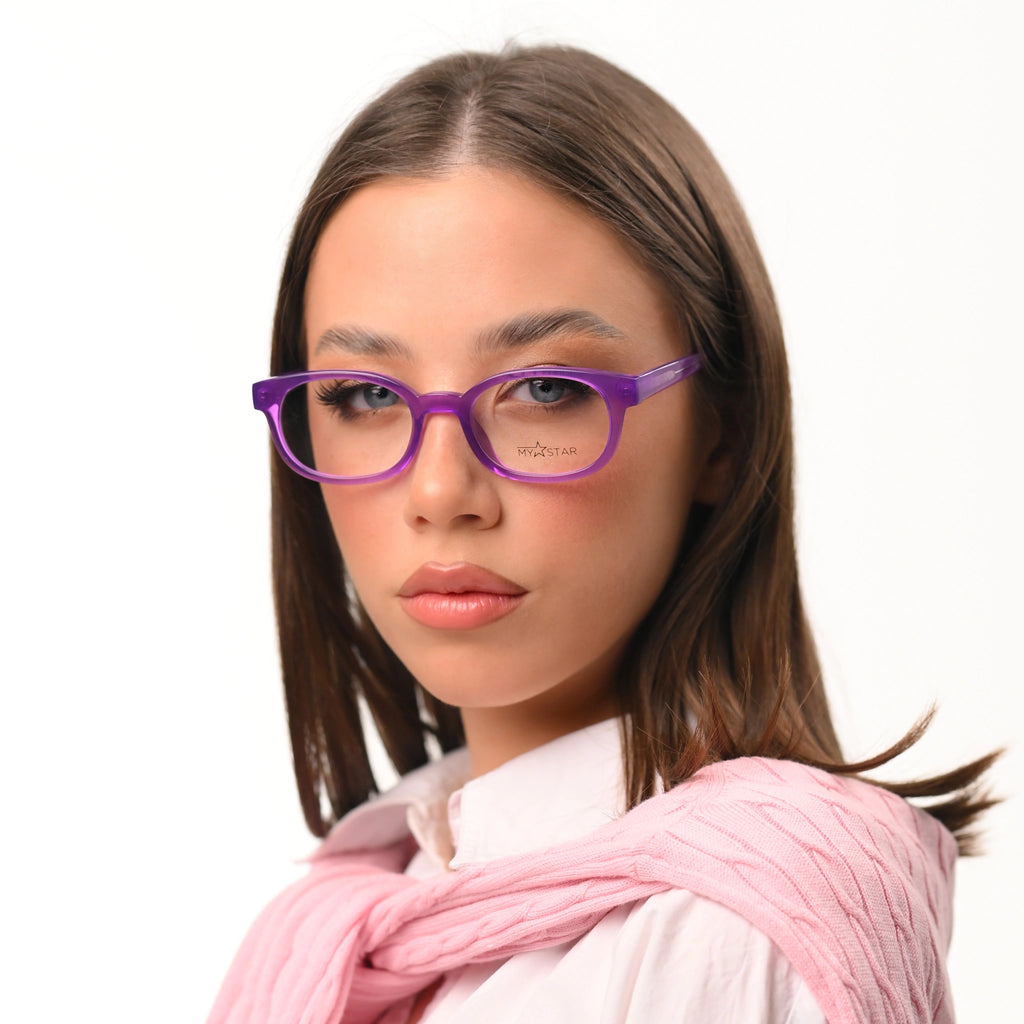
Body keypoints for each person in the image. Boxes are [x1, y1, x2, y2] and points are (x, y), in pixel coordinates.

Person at [209, 45, 997, 1023]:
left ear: (723, 427)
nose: (440, 489)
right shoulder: (333, 928)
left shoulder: (726, 925)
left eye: (547, 388)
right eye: (366, 394)